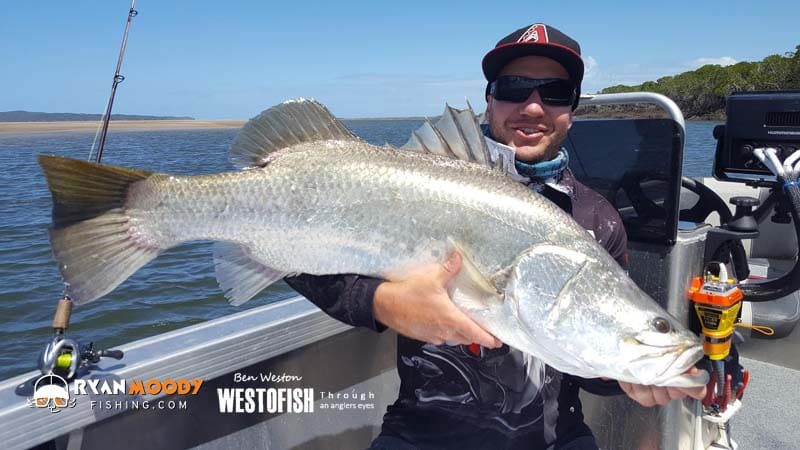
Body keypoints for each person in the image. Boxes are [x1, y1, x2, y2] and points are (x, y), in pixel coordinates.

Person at [285, 23, 705, 450]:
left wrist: (622, 376)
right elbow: (291, 252)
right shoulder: (413, 186)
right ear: (490, 101)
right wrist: (383, 303)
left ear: (573, 109)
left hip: (553, 437)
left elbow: (585, 355)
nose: (534, 107)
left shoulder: (599, 219)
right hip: (420, 431)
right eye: (515, 88)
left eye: (555, 93)